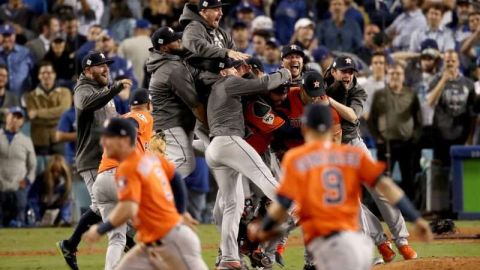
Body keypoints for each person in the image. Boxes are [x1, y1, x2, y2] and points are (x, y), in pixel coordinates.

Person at [248, 104, 433, 270]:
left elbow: (283, 203)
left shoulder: (296, 159)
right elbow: (388, 187)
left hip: (328, 245)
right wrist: (416, 218)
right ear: (332, 128)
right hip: (359, 244)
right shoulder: (353, 156)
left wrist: (265, 227)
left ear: (306, 128)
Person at [82, 117, 208, 270]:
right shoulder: (149, 158)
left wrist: (101, 229)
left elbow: (129, 208)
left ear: (124, 140)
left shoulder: (128, 167)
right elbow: (174, 177)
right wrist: (180, 211)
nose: (102, 142)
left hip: (172, 240)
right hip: (150, 245)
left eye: (108, 138)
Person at [327, 56, 418, 262]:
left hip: (354, 144)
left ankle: (402, 240)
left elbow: (352, 116)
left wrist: (327, 100)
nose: (347, 75)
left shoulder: (358, 91)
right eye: (343, 70)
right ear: (333, 72)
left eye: (350, 71)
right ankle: (379, 244)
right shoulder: (322, 86)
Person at [206, 58, 290, 268]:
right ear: (224, 72)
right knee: (264, 175)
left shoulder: (216, 88)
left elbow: (252, 84)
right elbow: (262, 85)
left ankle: (229, 258)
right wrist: (284, 74)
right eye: (233, 67)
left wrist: (244, 70)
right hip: (229, 141)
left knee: (232, 206)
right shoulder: (228, 82)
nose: (237, 70)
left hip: (215, 148)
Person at [56, 51, 132, 270]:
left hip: (108, 160)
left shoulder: (103, 90)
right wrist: (115, 89)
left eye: (106, 64)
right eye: (100, 65)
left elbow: (113, 121)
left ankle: (70, 244)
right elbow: (87, 103)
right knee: (102, 205)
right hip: (92, 159)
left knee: (105, 206)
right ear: (87, 70)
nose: (106, 68)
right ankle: (70, 245)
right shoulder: (82, 89)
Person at [92, 88, 153, 270]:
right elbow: (133, 124)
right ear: (149, 105)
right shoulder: (143, 115)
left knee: (117, 238)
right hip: (120, 177)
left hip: (102, 181)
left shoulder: (122, 116)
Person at [147, 26, 206, 179]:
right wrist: (210, 128)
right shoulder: (172, 68)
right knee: (186, 162)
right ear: (164, 47)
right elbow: (195, 104)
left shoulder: (165, 63)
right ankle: (153, 191)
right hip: (170, 125)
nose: (180, 42)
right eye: (175, 41)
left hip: (164, 127)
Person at [427, 50, 476, 212]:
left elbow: (473, 114)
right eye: (447, 61)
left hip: (461, 136)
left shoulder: (469, 84)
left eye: (453, 61)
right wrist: (443, 80)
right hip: (440, 136)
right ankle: (441, 210)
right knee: (440, 175)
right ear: (443, 63)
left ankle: (459, 209)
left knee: (459, 175)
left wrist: (470, 137)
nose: (450, 63)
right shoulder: (436, 80)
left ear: (458, 63)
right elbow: (430, 101)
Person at [368, 63, 423, 200]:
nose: (395, 76)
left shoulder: (411, 94)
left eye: (398, 73)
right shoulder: (380, 94)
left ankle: (410, 211)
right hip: (386, 145)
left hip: (407, 144)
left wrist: (414, 138)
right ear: (388, 76)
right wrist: (377, 138)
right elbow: (371, 119)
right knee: (384, 180)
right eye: (392, 73)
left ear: (403, 76)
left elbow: (418, 119)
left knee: (408, 178)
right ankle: (383, 213)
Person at [24, 61, 72, 174]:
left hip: (59, 139)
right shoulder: (30, 96)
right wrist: (56, 116)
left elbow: (64, 111)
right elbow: (32, 117)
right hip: (39, 141)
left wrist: (38, 113)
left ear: (54, 75)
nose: (46, 75)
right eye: (43, 73)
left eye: (49, 72)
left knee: (62, 172)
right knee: (40, 173)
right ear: (39, 76)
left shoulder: (65, 92)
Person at [179, 0, 249, 62]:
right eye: (216, 10)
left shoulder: (222, 33)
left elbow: (235, 56)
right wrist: (226, 52)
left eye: (221, 9)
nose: (221, 13)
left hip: (225, 73)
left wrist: (249, 74)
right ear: (204, 12)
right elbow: (199, 46)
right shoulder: (193, 28)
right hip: (201, 74)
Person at [0, 107, 36, 227]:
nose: (15, 120)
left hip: (18, 187)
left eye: (18, 117)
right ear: (7, 117)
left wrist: (27, 180)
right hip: (0, 185)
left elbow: (33, 166)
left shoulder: (26, 140)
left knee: (17, 224)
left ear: (22, 121)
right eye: (12, 116)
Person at [28, 154, 72, 226]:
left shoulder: (64, 185)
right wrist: (37, 219)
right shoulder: (40, 181)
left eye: (59, 171)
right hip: (40, 215)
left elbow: (65, 205)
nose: (55, 174)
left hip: (56, 217)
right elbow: (32, 201)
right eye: (53, 171)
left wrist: (64, 220)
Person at [0, 23, 35, 98]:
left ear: (14, 36)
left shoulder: (25, 53)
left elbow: (33, 74)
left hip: (22, 97)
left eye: (9, 36)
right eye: (4, 36)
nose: (6, 39)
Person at [118, 19, 153, 84]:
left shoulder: (126, 43)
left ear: (137, 29)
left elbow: (119, 64)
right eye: (149, 29)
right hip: (150, 85)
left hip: (130, 85)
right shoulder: (155, 44)